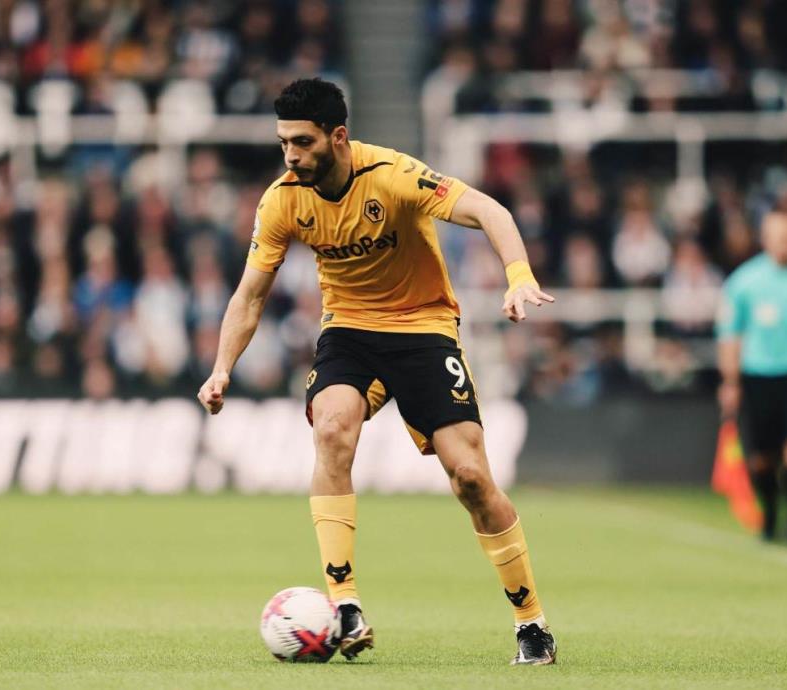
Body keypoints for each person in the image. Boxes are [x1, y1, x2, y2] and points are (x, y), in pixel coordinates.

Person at [197, 79, 557, 665]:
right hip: (350, 331)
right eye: (283, 142)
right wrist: (221, 369)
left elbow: (489, 209)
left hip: (423, 327)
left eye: (302, 142)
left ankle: (531, 622)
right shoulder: (282, 200)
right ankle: (345, 605)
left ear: (338, 137)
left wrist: (518, 275)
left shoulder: (392, 176)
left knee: (470, 476)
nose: (290, 156)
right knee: (332, 428)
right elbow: (250, 295)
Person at [717, 211, 787, 541]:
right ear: (766, 239)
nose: (785, 244)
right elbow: (729, 335)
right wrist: (730, 381)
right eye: (780, 237)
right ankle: (770, 514)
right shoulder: (744, 282)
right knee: (762, 458)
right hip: (757, 377)